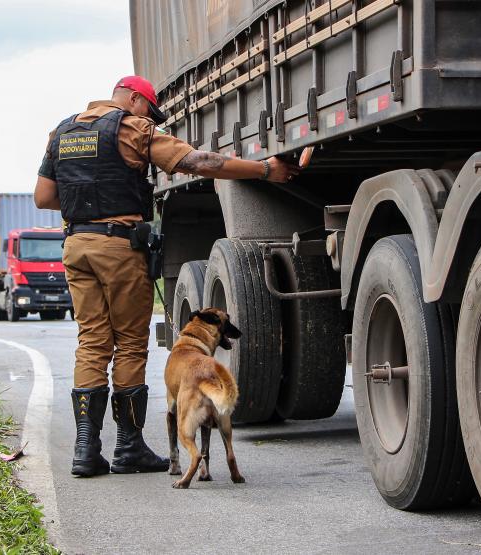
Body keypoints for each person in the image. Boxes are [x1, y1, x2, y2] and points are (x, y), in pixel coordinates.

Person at [34, 75, 300, 477]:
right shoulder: (130, 128)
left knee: (91, 343)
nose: (151, 120)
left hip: (76, 246)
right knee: (129, 344)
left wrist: (87, 201)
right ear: (133, 99)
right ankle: (129, 448)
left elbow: (44, 197)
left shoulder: (62, 133)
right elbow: (199, 162)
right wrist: (264, 170)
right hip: (117, 246)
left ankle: (85, 451)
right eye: (149, 110)